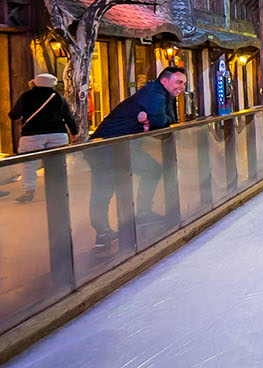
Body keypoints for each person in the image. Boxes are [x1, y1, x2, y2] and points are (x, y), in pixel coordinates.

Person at [88, 65, 187, 247]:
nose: (181, 87)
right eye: (178, 82)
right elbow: (160, 122)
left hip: (124, 146)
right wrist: (151, 123)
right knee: (105, 187)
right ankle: (102, 232)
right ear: (165, 80)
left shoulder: (165, 95)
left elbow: (170, 122)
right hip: (104, 147)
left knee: (152, 170)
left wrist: (151, 122)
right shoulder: (154, 93)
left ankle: (143, 213)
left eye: (183, 83)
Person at [7, 72, 79, 202]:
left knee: (29, 164)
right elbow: (69, 117)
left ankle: (29, 191)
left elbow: (14, 115)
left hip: (32, 134)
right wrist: (74, 133)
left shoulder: (26, 96)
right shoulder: (59, 98)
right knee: (57, 163)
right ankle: (58, 190)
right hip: (57, 134)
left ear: (35, 83)